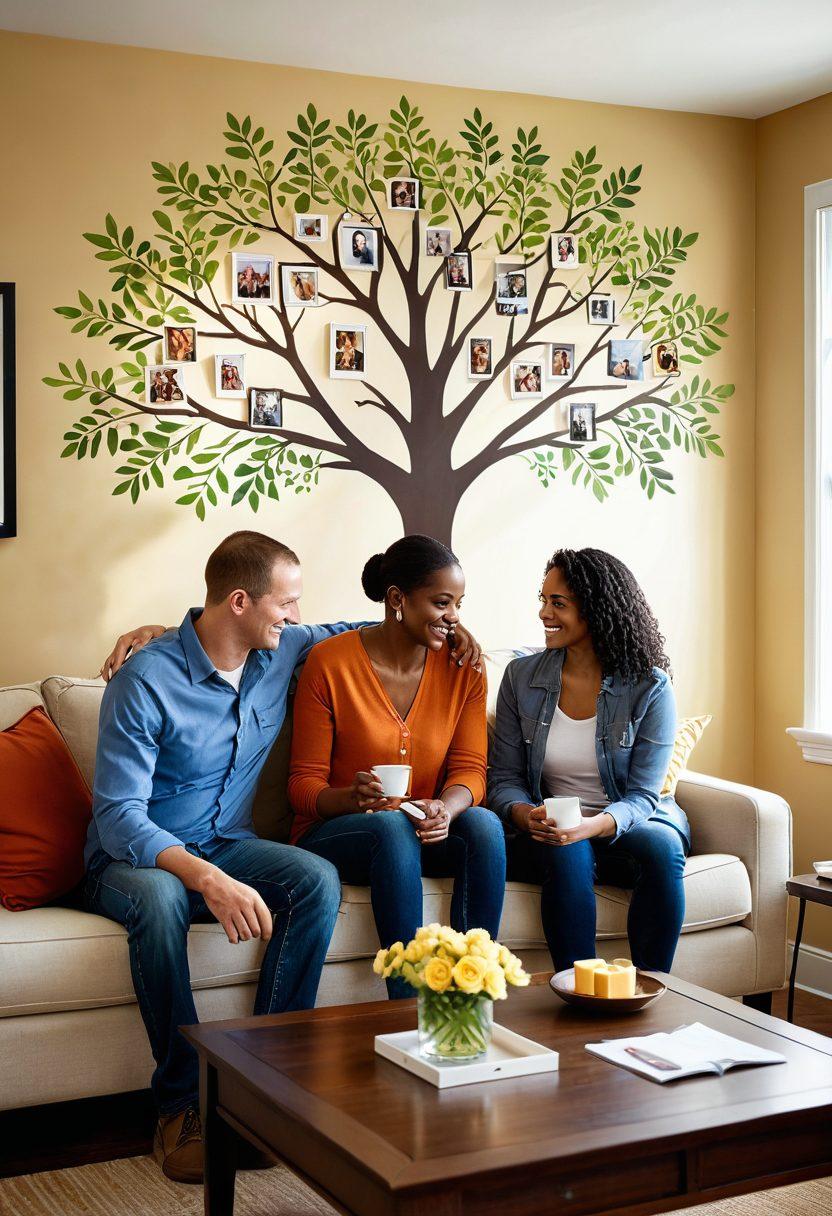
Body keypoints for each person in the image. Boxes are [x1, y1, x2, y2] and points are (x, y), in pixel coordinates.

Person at [287, 535, 506, 1000]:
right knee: (389, 827)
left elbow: (471, 769)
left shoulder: (464, 667)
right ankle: (408, 1009)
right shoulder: (330, 663)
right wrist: (352, 799)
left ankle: (471, 997)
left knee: (484, 825)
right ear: (396, 599)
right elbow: (302, 786)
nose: (454, 616)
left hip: (420, 830)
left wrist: (447, 808)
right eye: (441, 603)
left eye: (459, 604)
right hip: (339, 834)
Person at [488, 548, 689, 978]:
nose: (544, 613)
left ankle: (651, 988)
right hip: (554, 823)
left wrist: (594, 824)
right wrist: (524, 814)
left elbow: (644, 796)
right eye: (543, 600)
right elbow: (504, 778)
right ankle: (579, 988)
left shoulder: (650, 686)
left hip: (626, 821)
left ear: (595, 609)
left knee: (663, 847)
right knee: (567, 849)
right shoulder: (521, 678)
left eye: (558, 603)